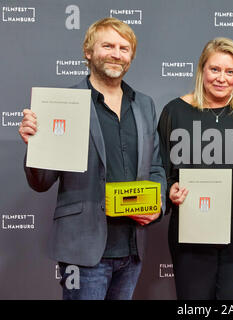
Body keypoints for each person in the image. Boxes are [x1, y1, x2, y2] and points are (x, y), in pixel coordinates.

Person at [18, 17, 166, 300]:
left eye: (124, 48)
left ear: (131, 56)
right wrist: (35, 146)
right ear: (88, 52)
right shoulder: (64, 103)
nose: (116, 53)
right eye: (107, 45)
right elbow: (41, 182)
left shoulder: (144, 104)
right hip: (83, 251)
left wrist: (157, 203)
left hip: (132, 249)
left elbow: (156, 166)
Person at [158, 37, 233, 299]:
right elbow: (160, 171)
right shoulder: (174, 111)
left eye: (230, 71)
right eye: (215, 69)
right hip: (192, 231)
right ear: (202, 70)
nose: (222, 78)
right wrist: (170, 191)